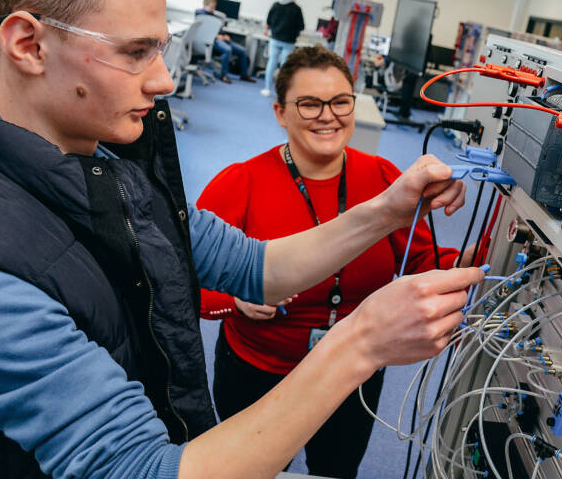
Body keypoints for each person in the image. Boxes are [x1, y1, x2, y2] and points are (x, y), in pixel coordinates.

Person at [0, 0, 481, 478]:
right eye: (136, 52)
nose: (164, 79)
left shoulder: (104, 164)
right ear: (29, 45)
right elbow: (143, 470)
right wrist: (359, 344)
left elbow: (259, 266)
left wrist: (388, 208)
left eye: (158, 48)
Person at [198, 46, 471, 478]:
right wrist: (236, 300)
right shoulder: (240, 182)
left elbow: (423, 260)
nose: (328, 115)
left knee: (337, 470)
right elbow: (183, 283)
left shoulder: (384, 179)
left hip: (353, 373)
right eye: (309, 103)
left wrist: (487, 246)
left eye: (341, 101)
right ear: (280, 112)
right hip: (260, 373)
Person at [196, 0, 256, 84]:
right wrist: (217, 36)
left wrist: (225, 35)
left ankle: (244, 75)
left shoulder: (214, 15)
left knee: (242, 51)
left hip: (223, 38)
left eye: (214, 7)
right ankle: (223, 75)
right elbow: (204, 31)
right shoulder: (200, 14)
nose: (213, 9)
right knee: (228, 50)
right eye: (211, 7)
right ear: (205, 5)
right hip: (213, 40)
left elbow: (220, 28)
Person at [262, 0, 305, 97]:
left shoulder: (276, 5)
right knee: (285, 66)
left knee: (272, 62)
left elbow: (268, 21)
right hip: (288, 41)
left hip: (275, 39)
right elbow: (301, 26)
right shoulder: (296, 9)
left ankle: (267, 88)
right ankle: (281, 93)